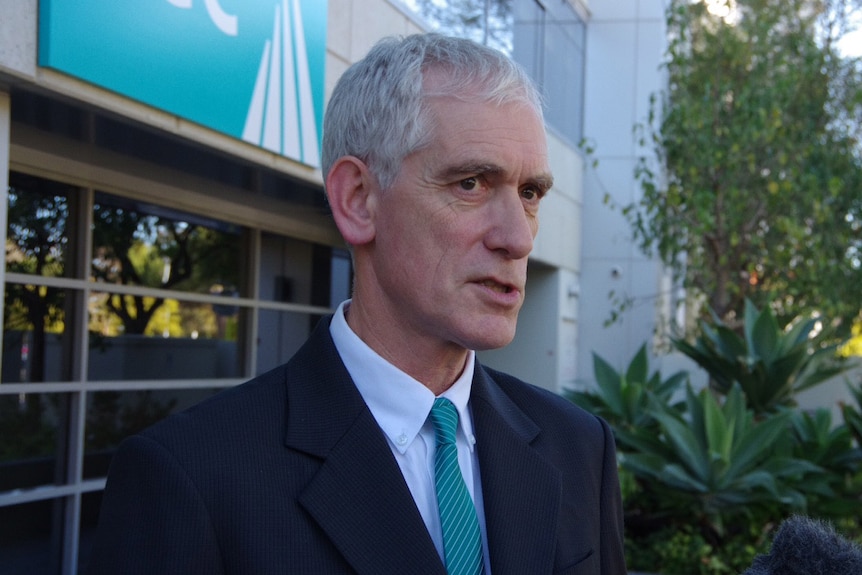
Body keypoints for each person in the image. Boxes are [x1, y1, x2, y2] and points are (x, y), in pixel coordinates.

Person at [86, 33, 627, 575]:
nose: (518, 237)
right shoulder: (192, 477)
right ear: (358, 200)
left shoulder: (579, 446)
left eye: (530, 193)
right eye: (470, 183)